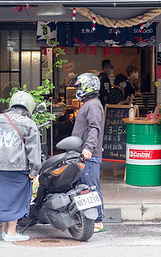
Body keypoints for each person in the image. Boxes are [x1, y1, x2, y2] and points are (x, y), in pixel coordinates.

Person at [0, 91, 42, 242]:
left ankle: (4, 231)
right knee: (15, 199)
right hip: (17, 167)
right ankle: (12, 232)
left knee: (2, 199)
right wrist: (34, 170)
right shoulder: (28, 123)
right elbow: (33, 149)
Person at [71, 72, 106, 233]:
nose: (77, 89)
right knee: (85, 186)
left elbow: (94, 128)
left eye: (79, 87)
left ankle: (98, 220)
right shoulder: (91, 104)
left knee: (91, 187)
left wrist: (88, 148)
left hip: (88, 156)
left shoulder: (92, 105)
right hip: (83, 154)